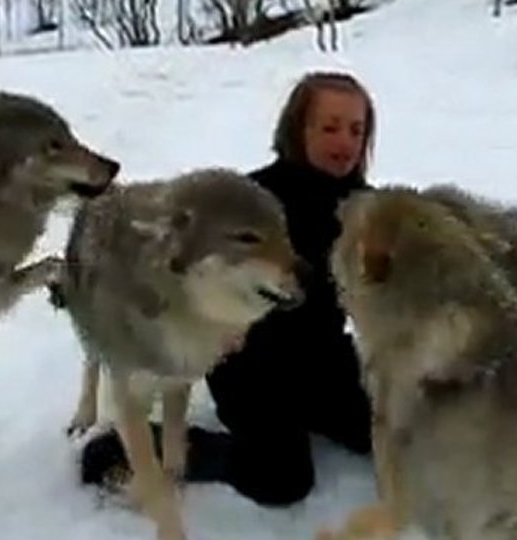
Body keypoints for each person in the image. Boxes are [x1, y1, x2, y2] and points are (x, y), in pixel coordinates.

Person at [79, 71, 377, 506]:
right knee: (282, 479)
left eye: (356, 129)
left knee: (390, 433)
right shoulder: (251, 200)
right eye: (329, 127)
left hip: (322, 356)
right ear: (299, 130)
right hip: (251, 364)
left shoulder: (368, 209)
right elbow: (178, 265)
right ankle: (134, 447)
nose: (345, 141)